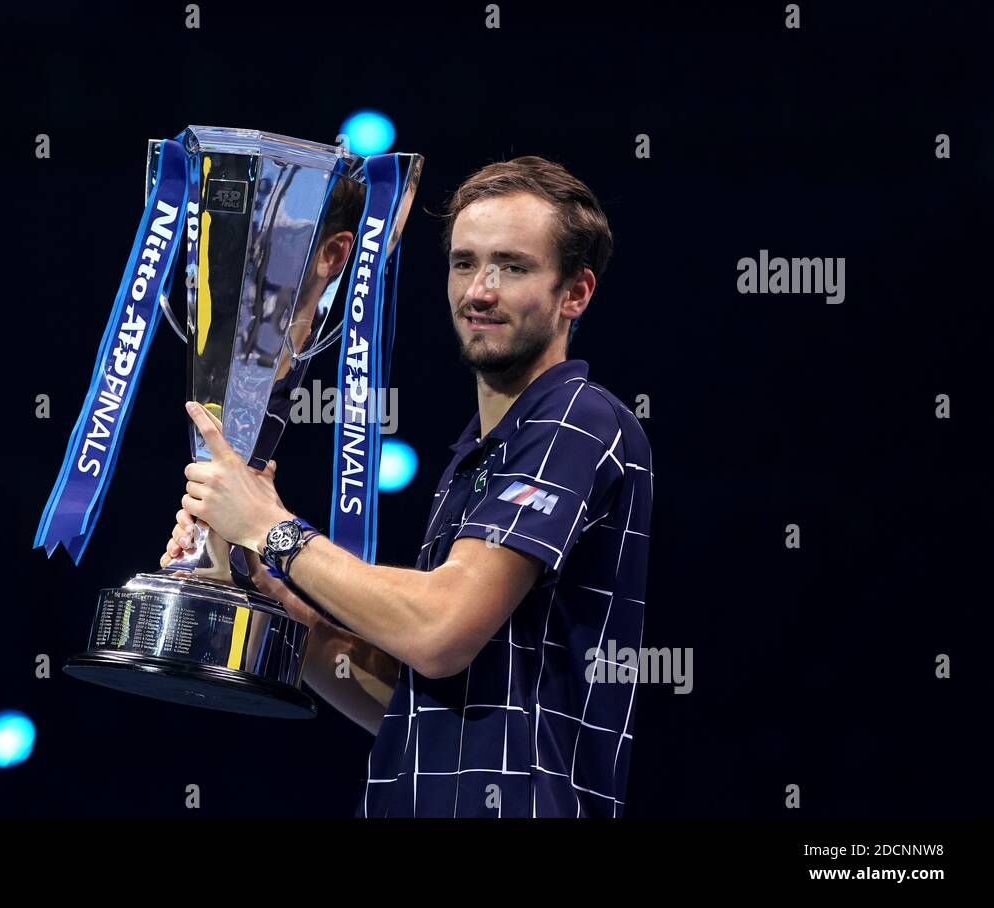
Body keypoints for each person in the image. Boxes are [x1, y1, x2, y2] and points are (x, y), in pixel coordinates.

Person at [161, 156, 653, 818]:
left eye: (512, 266)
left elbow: (439, 632)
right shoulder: (477, 457)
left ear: (576, 293)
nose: (479, 290)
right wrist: (263, 587)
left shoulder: (577, 419)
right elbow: (409, 698)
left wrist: (272, 529)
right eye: (463, 263)